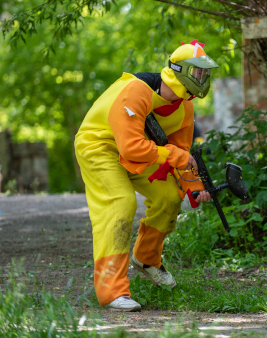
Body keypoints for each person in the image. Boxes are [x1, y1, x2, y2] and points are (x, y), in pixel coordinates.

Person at [74, 40, 217, 311]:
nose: (203, 78)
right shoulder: (136, 91)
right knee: (121, 203)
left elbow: (181, 153)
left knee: (169, 197)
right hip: (100, 145)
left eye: (205, 73)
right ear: (180, 70)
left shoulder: (185, 106)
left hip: (143, 151)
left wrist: (196, 188)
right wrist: (175, 156)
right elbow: (131, 147)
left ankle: (147, 258)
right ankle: (111, 290)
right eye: (198, 72)